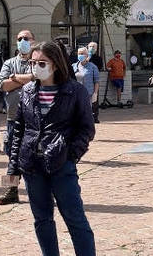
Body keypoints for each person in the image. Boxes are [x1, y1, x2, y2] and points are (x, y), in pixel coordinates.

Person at [7, 41, 96, 256]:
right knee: (42, 219)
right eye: (33, 62)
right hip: (32, 166)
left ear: (55, 64)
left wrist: (70, 155)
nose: (36, 67)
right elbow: (19, 129)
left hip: (60, 165)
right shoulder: (27, 90)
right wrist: (13, 167)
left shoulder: (75, 91)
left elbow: (86, 129)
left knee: (75, 218)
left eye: (42, 62)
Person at [0, 29, 36, 205]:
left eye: (26, 38)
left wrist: (16, 79)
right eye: (19, 39)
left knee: (35, 157)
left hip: (34, 120)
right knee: (11, 156)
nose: (22, 41)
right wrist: (28, 79)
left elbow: (41, 79)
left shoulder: (38, 61)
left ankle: (38, 191)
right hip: (13, 118)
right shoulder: (9, 63)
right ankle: (10, 191)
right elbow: (2, 85)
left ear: (33, 41)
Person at [73, 46, 100, 122]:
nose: (80, 55)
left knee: (86, 113)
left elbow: (96, 81)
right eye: (79, 53)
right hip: (76, 94)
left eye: (82, 53)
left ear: (87, 55)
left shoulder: (93, 67)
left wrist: (95, 93)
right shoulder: (73, 66)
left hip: (88, 94)